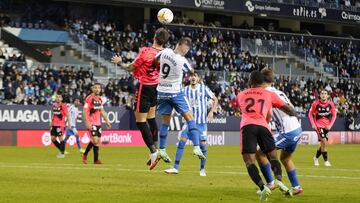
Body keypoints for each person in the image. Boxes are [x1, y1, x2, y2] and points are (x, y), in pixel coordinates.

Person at [111, 28, 169, 170]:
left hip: (145, 87)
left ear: (154, 36)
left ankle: (154, 151)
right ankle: (158, 149)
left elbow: (130, 67)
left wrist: (119, 62)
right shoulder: (166, 54)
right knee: (151, 118)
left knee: (140, 121)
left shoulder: (146, 51)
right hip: (157, 87)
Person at [236, 70, 297, 201]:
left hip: (248, 127)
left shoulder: (241, 94)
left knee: (249, 162)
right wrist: (294, 114)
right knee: (273, 157)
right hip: (264, 127)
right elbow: (288, 109)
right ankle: (279, 180)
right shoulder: (269, 94)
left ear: (250, 82)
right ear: (262, 81)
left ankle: (263, 187)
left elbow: (244, 107)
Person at [155, 37, 206, 166]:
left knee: (165, 122)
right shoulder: (182, 60)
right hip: (175, 92)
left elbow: (155, 60)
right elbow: (191, 71)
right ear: (180, 45)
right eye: (186, 47)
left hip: (161, 91)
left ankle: (162, 149)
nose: (186, 50)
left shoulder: (165, 51)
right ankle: (196, 147)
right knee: (190, 118)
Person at [255, 68, 303, 195]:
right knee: (285, 158)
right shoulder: (280, 92)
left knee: (260, 154)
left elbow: (269, 113)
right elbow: (291, 106)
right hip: (297, 129)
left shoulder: (265, 93)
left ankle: (270, 184)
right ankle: (296, 187)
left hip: (287, 132)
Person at [164, 71, 218, 176]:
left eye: (195, 76)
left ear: (198, 78)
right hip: (189, 122)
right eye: (191, 76)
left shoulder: (204, 89)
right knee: (181, 142)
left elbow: (215, 99)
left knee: (203, 146)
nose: (193, 77)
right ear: (189, 78)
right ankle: (175, 167)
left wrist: (211, 111)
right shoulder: (185, 90)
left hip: (201, 123)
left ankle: (202, 169)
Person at [82, 83, 111, 164]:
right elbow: (84, 111)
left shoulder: (100, 99)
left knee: (97, 141)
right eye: (95, 88)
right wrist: (87, 122)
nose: (97, 89)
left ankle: (95, 160)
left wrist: (107, 121)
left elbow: (102, 111)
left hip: (98, 123)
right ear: (92, 89)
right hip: (91, 123)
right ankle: (85, 155)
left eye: (99, 88)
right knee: (95, 140)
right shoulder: (89, 98)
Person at [308, 89, 337, 167]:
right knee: (323, 141)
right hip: (318, 126)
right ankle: (326, 161)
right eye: (322, 93)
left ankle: (315, 158)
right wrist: (313, 124)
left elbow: (334, 115)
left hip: (327, 127)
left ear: (328, 95)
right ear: (319, 95)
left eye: (325, 93)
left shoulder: (331, 104)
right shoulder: (315, 104)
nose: (323, 95)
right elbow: (310, 114)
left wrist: (330, 125)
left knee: (322, 144)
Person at [50, 92, 72, 158]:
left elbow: (67, 115)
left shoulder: (63, 106)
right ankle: (62, 149)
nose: (58, 98)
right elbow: (53, 113)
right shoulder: (54, 105)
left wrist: (69, 124)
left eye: (59, 97)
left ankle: (62, 154)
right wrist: (51, 121)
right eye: (57, 97)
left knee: (61, 138)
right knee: (53, 139)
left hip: (60, 125)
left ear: (61, 99)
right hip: (54, 124)